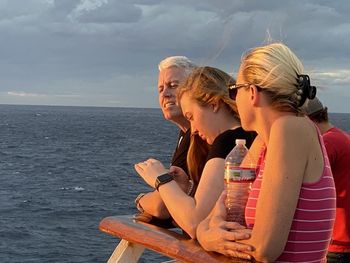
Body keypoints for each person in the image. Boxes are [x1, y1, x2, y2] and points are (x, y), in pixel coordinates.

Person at [196, 43, 336, 262]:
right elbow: (216, 216)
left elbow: (263, 248)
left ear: (252, 93)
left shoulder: (291, 128)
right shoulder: (263, 143)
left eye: (234, 91)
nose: (234, 99)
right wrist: (206, 235)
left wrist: (210, 237)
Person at [135, 66, 256, 238]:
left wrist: (161, 179)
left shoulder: (228, 142)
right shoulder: (252, 136)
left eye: (191, 116)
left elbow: (194, 223)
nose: (193, 130)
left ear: (214, 104)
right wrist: (188, 189)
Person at [134, 56, 196, 225]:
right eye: (160, 89)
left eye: (173, 86)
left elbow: (162, 206)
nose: (165, 94)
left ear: (196, 90)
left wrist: (140, 200)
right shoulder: (186, 133)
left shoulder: (199, 136)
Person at [306, 97, 350, 263]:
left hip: (336, 242)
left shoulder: (326, 142)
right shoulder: (340, 136)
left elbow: (303, 186)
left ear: (307, 121)